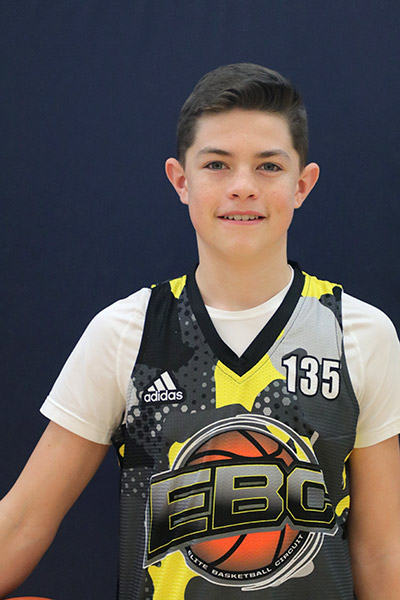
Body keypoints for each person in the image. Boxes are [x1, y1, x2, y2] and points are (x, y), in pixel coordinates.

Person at [1, 63, 400, 600]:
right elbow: (23, 521)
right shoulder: (127, 332)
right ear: (181, 181)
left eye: (268, 166)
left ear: (302, 185)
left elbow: (381, 550)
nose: (242, 187)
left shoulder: (359, 333)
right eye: (217, 164)